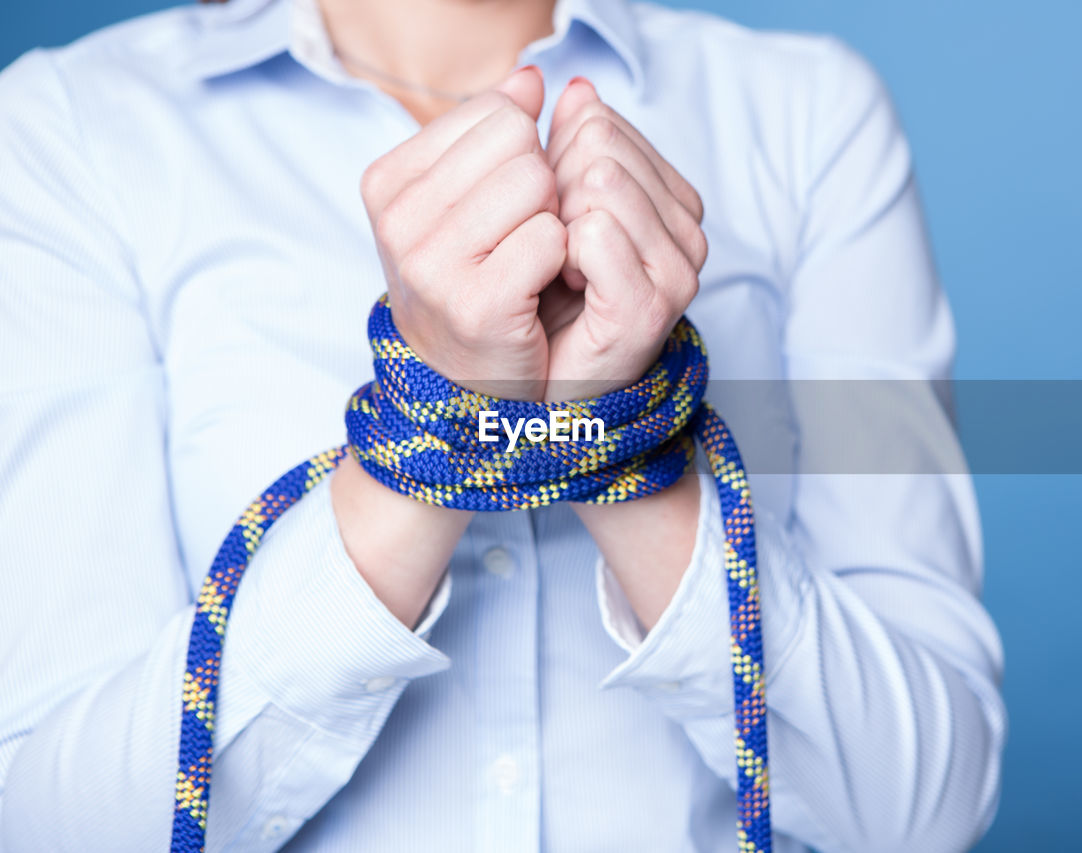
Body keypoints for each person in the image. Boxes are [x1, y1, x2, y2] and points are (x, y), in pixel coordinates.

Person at [0, 0, 1006, 849]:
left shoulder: (805, 118)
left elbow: (921, 807)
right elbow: (56, 820)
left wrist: (607, 418)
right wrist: (440, 415)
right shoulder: (71, 135)